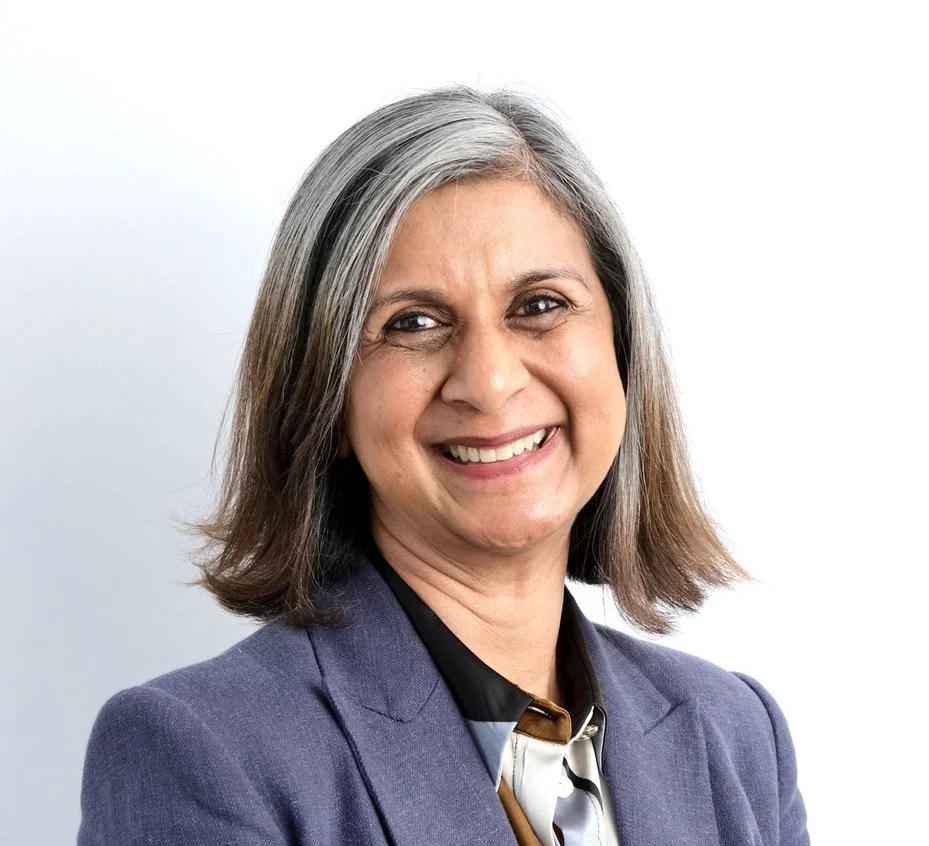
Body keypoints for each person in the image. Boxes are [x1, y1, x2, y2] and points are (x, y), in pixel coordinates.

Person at [78, 86, 810, 845]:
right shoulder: (206, 753)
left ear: (621, 355)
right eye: (413, 323)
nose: (490, 381)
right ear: (323, 399)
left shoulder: (735, 736)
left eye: (539, 306)